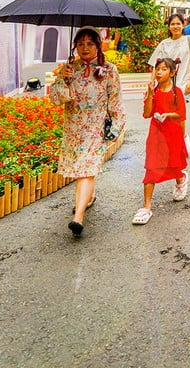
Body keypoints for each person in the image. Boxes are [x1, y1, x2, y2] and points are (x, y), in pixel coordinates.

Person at [48, 27, 126, 237]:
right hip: (74, 128)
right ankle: (88, 199)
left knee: (86, 169)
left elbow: (116, 101)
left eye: (90, 44)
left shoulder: (109, 70)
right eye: (80, 44)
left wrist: (117, 126)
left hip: (95, 127)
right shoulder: (69, 69)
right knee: (84, 169)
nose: (84, 48)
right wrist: (63, 79)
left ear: (98, 45)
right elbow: (56, 99)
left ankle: (78, 217)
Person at [134, 57, 188, 225]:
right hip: (156, 136)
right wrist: (150, 94)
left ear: (172, 73)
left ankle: (181, 180)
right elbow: (147, 113)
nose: (159, 72)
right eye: (157, 69)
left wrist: (168, 115)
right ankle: (146, 207)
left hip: (172, 134)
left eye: (164, 69)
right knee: (151, 167)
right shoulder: (154, 91)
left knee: (174, 164)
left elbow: (182, 114)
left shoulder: (177, 92)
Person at [148, 13, 190, 96]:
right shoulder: (164, 44)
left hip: (184, 85)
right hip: (165, 87)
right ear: (169, 27)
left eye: (178, 24)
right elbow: (156, 64)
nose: (175, 27)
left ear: (183, 25)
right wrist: (152, 80)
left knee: (180, 108)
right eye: (172, 24)